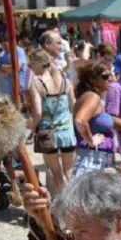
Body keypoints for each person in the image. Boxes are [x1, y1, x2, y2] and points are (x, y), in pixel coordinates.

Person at [28, 48, 76, 194]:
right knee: (69, 172)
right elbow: (73, 104)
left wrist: (31, 130)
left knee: (56, 172)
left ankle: (63, 205)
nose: (30, 67)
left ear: (38, 64)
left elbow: (37, 113)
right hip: (67, 132)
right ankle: (73, 203)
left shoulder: (37, 84)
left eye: (31, 64)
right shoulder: (65, 81)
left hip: (48, 134)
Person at [72, 60, 117, 176]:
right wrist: (91, 141)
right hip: (93, 159)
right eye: (105, 76)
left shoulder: (93, 97)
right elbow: (80, 120)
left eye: (110, 75)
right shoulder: (93, 97)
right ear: (93, 80)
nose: (110, 79)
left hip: (98, 158)